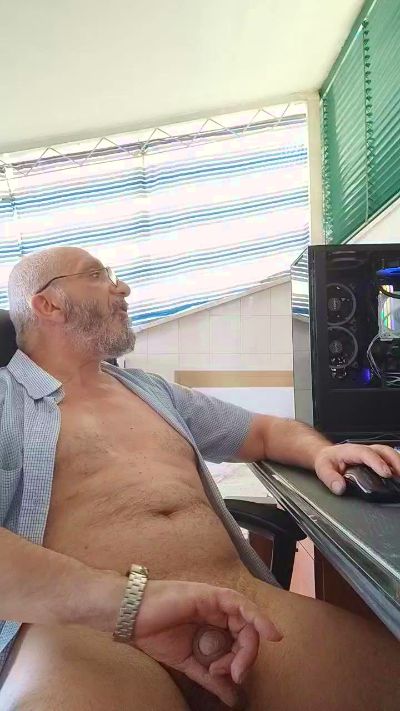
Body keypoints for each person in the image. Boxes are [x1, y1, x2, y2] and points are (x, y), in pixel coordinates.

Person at [0, 246, 399, 711]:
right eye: (96, 275)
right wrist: (130, 604)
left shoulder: (149, 390)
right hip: (83, 634)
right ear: (48, 304)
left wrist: (322, 451)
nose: (121, 287)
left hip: (240, 608)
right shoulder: (6, 399)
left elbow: (263, 432)